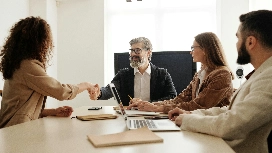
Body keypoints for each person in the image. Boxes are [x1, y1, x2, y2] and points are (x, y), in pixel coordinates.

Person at [168, 10, 272, 153]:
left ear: (250, 42)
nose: (236, 45)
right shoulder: (260, 73)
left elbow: (233, 124)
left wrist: (187, 120)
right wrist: (192, 115)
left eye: (238, 38)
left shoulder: (269, 77)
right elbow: (230, 111)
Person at [0, 16, 98, 128]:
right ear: (38, 41)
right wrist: (86, 85)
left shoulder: (17, 64)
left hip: (12, 129)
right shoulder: (27, 66)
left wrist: (53, 111)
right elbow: (61, 91)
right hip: (15, 132)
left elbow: (21, 108)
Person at [127, 32, 234, 113]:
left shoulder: (222, 75)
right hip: (197, 122)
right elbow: (180, 99)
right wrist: (148, 104)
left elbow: (200, 105)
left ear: (205, 50)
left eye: (193, 48)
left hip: (212, 128)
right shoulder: (199, 74)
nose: (190, 51)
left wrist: (158, 108)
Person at [89, 37, 177, 106]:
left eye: (137, 50)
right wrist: (99, 93)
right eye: (131, 51)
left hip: (154, 115)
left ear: (148, 53)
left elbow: (172, 97)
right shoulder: (123, 74)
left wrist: (147, 104)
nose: (133, 54)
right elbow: (110, 90)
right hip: (130, 115)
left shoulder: (163, 75)